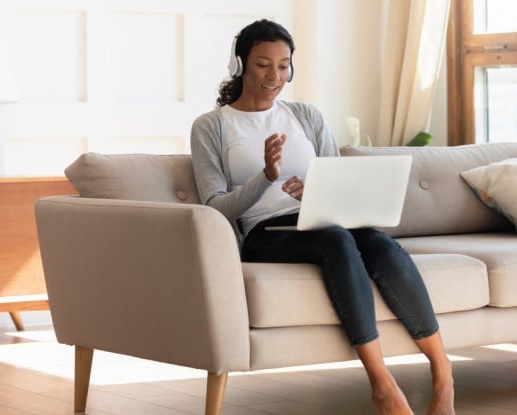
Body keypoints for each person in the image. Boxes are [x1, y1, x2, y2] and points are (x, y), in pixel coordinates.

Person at [190, 19, 455, 415]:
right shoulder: (211, 126)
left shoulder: (305, 115)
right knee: (336, 239)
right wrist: (267, 177)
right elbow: (214, 208)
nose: (274, 76)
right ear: (240, 64)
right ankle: (381, 383)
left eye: (283, 65)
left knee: (379, 244)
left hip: (321, 218)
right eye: (263, 64)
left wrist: (314, 189)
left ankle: (442, 372)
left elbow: (337, 179)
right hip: (266, 233)